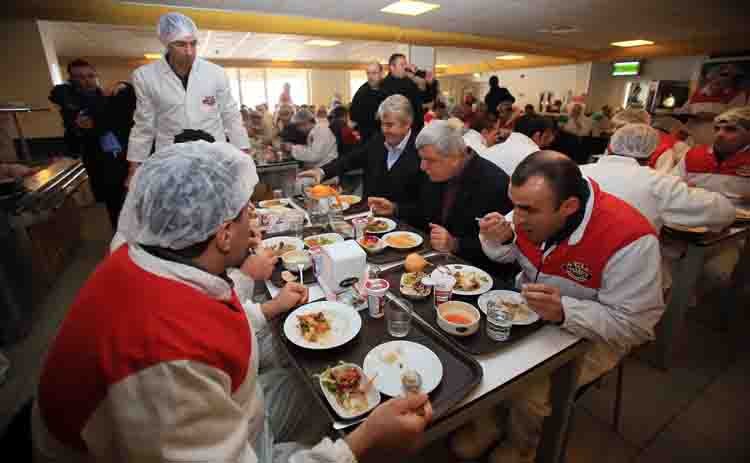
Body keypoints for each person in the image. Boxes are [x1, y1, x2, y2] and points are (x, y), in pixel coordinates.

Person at [32, 141, 432, 462]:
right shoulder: (163, 358)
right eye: (247, 214)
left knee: (323, 383)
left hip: (231, 418)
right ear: (223, 234)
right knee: (355, 416)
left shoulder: (145, 260)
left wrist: (269, 309)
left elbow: (213, 323)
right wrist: (363, 444)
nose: (256, 222)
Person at [451, 151, 664, 463]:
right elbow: (510, 256)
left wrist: (565, 311)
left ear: (569, 207)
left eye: (526, 210)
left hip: (594, 333)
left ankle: (522, 445)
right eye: (514, 205)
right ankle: (490, 423)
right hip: (532, 312)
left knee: (530, 388)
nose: (517, 218)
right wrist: (501, 239)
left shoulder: (630, 239)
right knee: (481, 350)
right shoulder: (532, 211)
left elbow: (636, 325)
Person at [368, 120, 513, 271]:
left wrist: (456, 244)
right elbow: (426, 213)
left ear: (455, 157)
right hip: (434, 262)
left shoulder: (494, 183)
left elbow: (506, 250)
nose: (423, 167)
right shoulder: (436, 173)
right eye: (421, 159)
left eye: (429, 160)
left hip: (474, 273)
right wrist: (395, 208)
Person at [126, 13, 249, 179]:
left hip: (213, 156)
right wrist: (134, 167)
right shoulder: (145, 76)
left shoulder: (215, 73)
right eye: (181, 44)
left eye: (193, 43)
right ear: (167, 44)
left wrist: (244, 154)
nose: (189, 51)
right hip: (172, 158)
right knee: (177, 202)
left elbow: (231, 116)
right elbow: (144, 126)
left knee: (216, 201)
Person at [671, 107, 750, 289]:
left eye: (731, 130)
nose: (720, 134)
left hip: (738, 233)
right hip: (694, 224)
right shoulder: (694, 156)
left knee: (717, 276)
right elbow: (672, 185)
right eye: (717, 129)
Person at [298, 95, 423, 205]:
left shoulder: (421, 150)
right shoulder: (378, 140)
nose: (384, 130)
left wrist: (395, 209)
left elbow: (424, 204)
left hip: (403, 227)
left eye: (389, 125)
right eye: (382, 124)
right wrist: (322, 171)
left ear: (407, 123)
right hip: (370, 217)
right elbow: (351, 159)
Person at [49, 60, 131, 227]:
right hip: (101, 162)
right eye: (79, 77)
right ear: (71, 80)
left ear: (96, 76)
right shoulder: (70, 100)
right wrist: (78, 123)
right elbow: (58, 93)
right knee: (114, 205)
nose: (86, 80)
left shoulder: (109, 96)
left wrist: (123, 84)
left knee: (134, 200)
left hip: (125, 158)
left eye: (90, 76)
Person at [480, 115, 557, 177]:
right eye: (548, 135)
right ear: (537, 135)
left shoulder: (498, 146)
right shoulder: (534, 156)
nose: (552, 139)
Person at [381, 54, 425, 134]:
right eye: (402, 64)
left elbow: (420, 100)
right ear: (392, 67)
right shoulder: (385, 85)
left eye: (405, 64)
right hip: (399, 132)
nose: (405, 67)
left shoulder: (409, 81)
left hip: (415, 130)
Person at [350, 62, 386, 143]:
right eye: (368, 73)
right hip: (368, 138)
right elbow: (354, 117)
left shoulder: (388, 88)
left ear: (381, 73)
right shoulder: (361, 93)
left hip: (388, 136)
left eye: (374, 73)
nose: (370, 77)